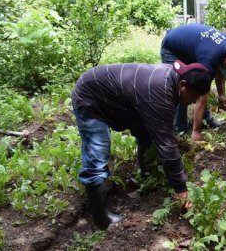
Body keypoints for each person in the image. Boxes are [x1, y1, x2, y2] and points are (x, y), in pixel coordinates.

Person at [71, 61, 211, 229]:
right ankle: (101, 218)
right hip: (91, 96)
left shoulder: (172, 81)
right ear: (183, 85)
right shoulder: (158, 92)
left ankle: (146, 176)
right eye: (193, 97)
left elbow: (161, 129)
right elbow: (166, 145)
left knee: (146, 134)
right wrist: (182, 190)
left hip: (121, 98)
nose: (192, 102)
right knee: (98, 150)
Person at [161, 24, 226, 141]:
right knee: (184, 89)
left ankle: (206, 121)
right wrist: (196, 131)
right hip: (172, 47)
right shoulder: (209, 59)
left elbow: (220, 69)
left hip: (192, 47)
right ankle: (180, 129)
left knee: (201, 84)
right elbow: (201, 95)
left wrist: (221, 95)